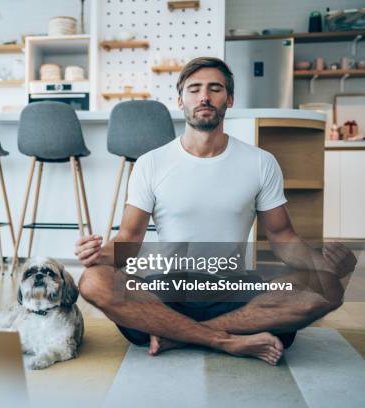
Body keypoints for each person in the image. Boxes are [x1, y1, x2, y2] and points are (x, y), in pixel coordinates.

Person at [75, 57, 357, 365]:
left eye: (215, 88)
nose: (204, 97)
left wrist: (327, 265)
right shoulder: (151, 164)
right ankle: (225, 340)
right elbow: (129, 238)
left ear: (230, 99)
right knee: (93, 280)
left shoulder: (261, 163)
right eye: (194, 89)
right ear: (180, 100)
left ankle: (178, 335)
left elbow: (282, 236)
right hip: (168, 291)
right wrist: (99, 255)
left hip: (232, 289)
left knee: (327, 286)